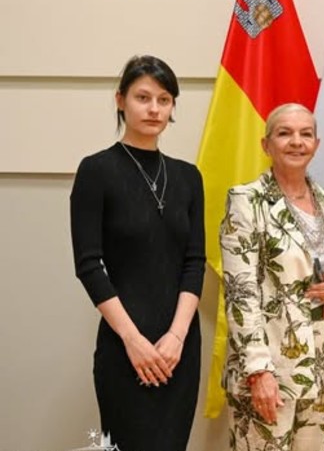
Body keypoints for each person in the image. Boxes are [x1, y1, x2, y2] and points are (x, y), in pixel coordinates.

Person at [70, 55, 205, 451]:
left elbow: (195, 261)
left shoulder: (188, 177)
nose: (154, 109)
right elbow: (88, 265)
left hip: (179, 347)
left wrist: (177, 337)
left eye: (164, 100)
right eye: (143, 97)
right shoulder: (96, 170)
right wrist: (133, 340)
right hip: (124, 344)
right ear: (120, 100)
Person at [220, 103, 324, 451]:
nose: (297, 142)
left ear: (316, 144)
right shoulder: (246, 201)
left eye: (305, 134)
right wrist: (258, 371)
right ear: (266, 145)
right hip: (269, 368)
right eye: (284, 133)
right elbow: (240, 293)